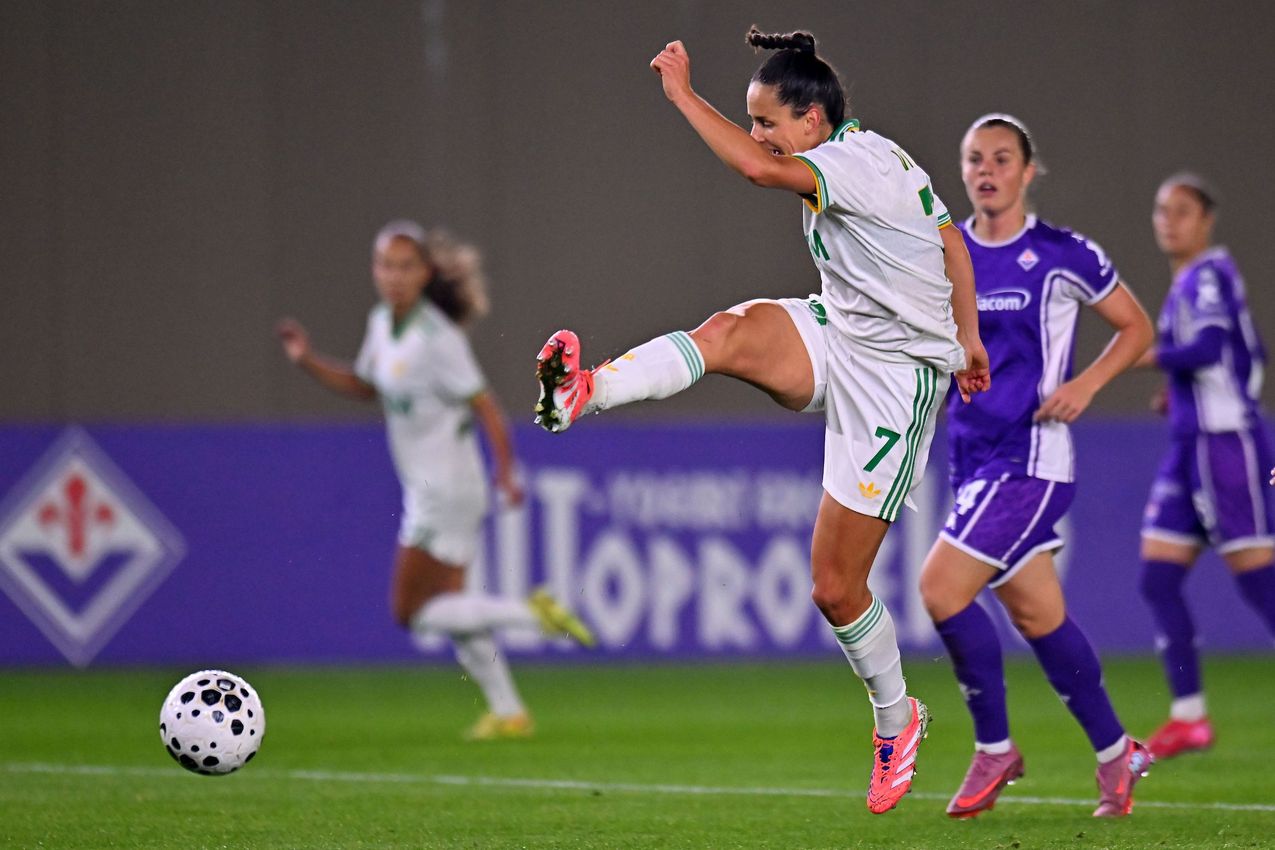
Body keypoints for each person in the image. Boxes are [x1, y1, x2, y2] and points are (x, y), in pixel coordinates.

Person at [534, 28, 990, 814]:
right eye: (752, 121)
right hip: (842, 332)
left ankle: (896, 717)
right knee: (728, 333)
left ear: (813, 121)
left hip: (895, 380)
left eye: (768, 121)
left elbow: (754, 171)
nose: (758, 137)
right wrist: (971, 331)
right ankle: (584, 392)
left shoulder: (850, 165)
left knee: (833, 586)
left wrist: (681, 94)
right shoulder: (881, 155)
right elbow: (949, 236)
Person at [917, 115, 1156, 819]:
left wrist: (1084, 385)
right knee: (1036, 612)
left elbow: (1136, 325)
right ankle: (1118, 755)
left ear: (1027, 171)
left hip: (1030, 460)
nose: (985, 170)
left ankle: (994, 745)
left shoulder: (1059, 254)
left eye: (1000, 159)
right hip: (970, 457)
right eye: (972, 159)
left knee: (938, 590)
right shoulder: (946, 252)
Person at [278, 220, 594, 741]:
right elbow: (365, 385)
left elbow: (485, 404)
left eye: (405, 266)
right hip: (432, 487)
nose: (394, 276)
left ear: (425, 274)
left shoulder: (438, 337)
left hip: (444, 490)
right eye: (385, 265)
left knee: (413, 613)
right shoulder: (382, 323)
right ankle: (510, 711)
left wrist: (507, 470)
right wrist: (308, 361)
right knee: (453, 604)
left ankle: (531, 614)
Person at [1136, 173, 1275, 759]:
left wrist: (1153, 358)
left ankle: (1189, 714)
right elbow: (1248, 354)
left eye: (1183, 210)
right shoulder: (1188, 283)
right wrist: (1182, 390)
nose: (1169, 219)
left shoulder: (1209, 275)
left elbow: (1215, 346)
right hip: (1191, 442)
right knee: (1158, 576)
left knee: (1258, 579)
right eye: (1162, 209)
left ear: (1206, 220)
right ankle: (1189, 716)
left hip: (1224, 445)